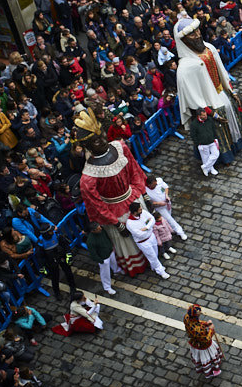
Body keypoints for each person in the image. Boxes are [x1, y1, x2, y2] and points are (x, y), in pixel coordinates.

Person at [75, 108, 148, 276]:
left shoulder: (120, 146)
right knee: (128, 242)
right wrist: (116, 223)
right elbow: (96, 205)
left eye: (100, 135)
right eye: (94, 141)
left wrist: (142, 193)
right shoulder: (88, 178)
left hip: (134, 198)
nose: (101, 141)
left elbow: (135, 171)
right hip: (116, 212)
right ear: (86, 146)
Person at [174, 16, 242, 162]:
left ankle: (238, 142)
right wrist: (207, 111)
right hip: (209, 103)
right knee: (218, 130)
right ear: (184, 40)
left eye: (197, 31)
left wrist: (230, 89)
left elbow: (221, 70)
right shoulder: (185, 67)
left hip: (221, 91)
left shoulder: (209, 48)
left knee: (232, 115)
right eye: (192, 33)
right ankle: (223, 156)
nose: (197, 35)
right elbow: (191, 96)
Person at [126, 201, 170, 279]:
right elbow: (139, 234)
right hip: (143, 242)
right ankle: (161, 271)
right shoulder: (130, 223)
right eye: (139, 209)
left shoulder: (143, 213)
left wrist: (146, 228)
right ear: (135, 212)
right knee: (152, 256)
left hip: (151, 237)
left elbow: (152, 219)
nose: (141, 210)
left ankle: (154, 267)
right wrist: (149, 227)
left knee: (155, 253)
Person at [184, 305, 223, 379]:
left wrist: (205, 323)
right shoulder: (197, 330)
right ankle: (211, 371)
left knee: (202, 358)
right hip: (204, 346)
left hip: (194, 342)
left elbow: (197, 322)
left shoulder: (187, 317)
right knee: (208, 358)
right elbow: (206, 339)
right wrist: (211, 329)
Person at [145, 175, 187, 241]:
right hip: (159, 207)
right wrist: (159, 203)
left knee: (169, 216)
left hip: (167, 203)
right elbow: (148, 202)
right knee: (170, 219)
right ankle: (180, 232)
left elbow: (166, 187)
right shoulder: (146, 191)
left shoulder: (159, 181)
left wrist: (166, 195)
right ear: (149, 185)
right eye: (154, 184)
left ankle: (169, 228)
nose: (156, 185)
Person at [86, 221, 120, 295]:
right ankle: (107, 288)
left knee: (114, 263)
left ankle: (116, 271)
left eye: (100, 227)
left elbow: (107, 237)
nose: (100, 229)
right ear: (93, 231)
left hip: (110, 252)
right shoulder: (90, 241)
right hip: (103, 258)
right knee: (105, 273)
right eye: (98, 229)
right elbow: (93, 254)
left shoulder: (102, 230)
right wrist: (101, 261)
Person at [189, 107, 223, 176]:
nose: (206, 116)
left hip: (212, 141)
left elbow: (214, 129)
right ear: (199, 116)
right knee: (205, 158)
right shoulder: (194, 124)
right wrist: (198, 144)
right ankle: (210, 168)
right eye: (204, 115)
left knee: (216, 154)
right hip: (203, 144)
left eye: (206, 114)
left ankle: (204, 166)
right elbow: (193, 135)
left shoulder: (210, 120)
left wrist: (215, 138)